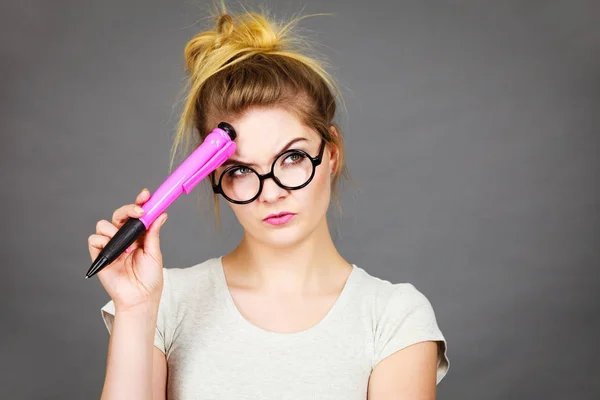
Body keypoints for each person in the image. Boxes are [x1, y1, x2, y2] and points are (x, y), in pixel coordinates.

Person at [88, 2, 449, 399]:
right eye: (241, 171)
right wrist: (137, 309)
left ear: (331, 153)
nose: (272, 192)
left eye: (292, 157)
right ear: (211, 176)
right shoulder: (164, 304)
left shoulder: (394, 317)